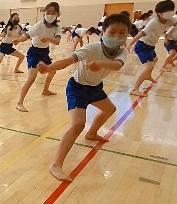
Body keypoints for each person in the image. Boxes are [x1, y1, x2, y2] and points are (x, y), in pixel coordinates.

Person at [37, 13, 130, 182]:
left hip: (95, 88)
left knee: (110, 109)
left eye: (122, 33)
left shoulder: (122, 51)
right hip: (77, 88)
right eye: (113, 31)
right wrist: (49, 67)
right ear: (103, 32)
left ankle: (92, 133)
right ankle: (56, 165)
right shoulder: (92, 48)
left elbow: (117, 65)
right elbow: (67, 61)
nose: (117, 36)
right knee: (78, 124)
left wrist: (101, 64)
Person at [15, 2, 63, 112]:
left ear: (57, 14)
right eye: (48, 12)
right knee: (31, 78)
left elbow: (57, 42)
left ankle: (45, 90)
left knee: (52, 71)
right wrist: (18, 40)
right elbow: (27, 36)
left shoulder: (57, 26)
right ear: (44, 13)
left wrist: (47, 38)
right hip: (34, 52)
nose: (50, 14)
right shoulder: (39, 25)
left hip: (44, 52)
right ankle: (19, 103)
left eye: (53, 12)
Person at [127, 0, 177, 96]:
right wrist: (131, 44)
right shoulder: (153, 22)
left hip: (150, 46)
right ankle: (135, 89)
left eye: (171, 10)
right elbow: (141, 33)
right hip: (142, 45)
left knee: (155, 59)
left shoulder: (170, 20)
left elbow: (175, 23)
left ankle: (148, 76)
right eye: (167, 11)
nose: (170, 13)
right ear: (159, 13)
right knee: (150, 66)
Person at [0, 13, 25, 82]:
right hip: (3, 46)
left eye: (18, 18)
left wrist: (19, 37)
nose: (17, 19)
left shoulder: (19, 27)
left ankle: (16, 69)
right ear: (11, 19)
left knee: (22, 57)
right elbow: (3, 34)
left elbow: (20, 35)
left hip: (10, 46)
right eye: (15, 18)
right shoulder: (8, 27)